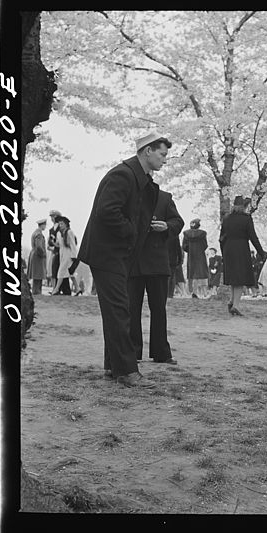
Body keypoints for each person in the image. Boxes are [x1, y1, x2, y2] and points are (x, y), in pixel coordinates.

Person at [78, 130, 171, 388]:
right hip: (106, 253)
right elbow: (107, 211)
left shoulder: (140, 178)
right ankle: (127, 371)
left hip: (117, 254)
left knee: (116, 310)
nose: (165, 160)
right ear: (147, 151)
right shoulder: (122, 175)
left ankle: (113, 367)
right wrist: (132, 232)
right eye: (162, 154)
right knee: (120, 310)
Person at [128, 188, 184, 364]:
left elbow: (178, 221)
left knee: (159, 309)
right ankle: (133, 352)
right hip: (133, 261)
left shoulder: (164, 197)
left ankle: (161, 353)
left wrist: (167, 226)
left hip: (158, 261)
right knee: (132, 309)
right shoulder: (129, 194)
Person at [220, 195, 267, 315]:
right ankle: (235, 305)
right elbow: (253, 237)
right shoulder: (246, 219)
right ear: (244, 207)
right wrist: (261, 253)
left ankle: (231, 301)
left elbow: (221, 238)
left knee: (233, 277)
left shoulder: (226, 218)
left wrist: (223, 252)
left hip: (228, 248)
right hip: (241, 248)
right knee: (240, 277)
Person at [50, 216, 78, 296]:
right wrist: (53, 243)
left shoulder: (69, 232)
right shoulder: (59, 233)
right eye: (59, 224)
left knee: (61, 271)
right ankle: (78, 288)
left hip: (69, 254)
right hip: (62, 253)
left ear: (66, 224)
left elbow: (73, 244)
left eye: (62, 224)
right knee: (70, 273)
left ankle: (56, 289)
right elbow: (59, 244)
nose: (60, 225)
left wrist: (74, 256)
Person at [182, 218, 209, 299]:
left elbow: (184, 246)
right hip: (200, 255)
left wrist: (190, 250)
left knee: (193, 274)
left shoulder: (186, 234)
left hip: (191, 256)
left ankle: (194, 291)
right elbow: (205, 245)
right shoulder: (203, 234)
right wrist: (200, 249)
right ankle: (204, 293)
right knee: (202, 273)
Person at [47, 210, 71, 295]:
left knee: (61, 271)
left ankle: (63, 290)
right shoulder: (52, 229)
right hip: (55, 251)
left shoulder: (60, 228)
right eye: (51, 217)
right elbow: (50, 240)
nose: (52, 218)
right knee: (55, 270)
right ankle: (57, 289)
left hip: (61, 251)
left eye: (53, 216)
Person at [27, 218, 48, 295]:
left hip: (34, 254)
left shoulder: (35, 233)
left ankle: (37, 292)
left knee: (37, 275)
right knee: (38, 276)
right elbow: (39, 246)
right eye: (45, 225)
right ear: (42, 225)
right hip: (38, 256)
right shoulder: (39, 234)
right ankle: (37, 292)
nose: (45, 227)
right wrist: (43, 254)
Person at [167, 229, 185, 298]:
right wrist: (180, 259)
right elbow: (178, 248)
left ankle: (166, 293)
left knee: (166, 277)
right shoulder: (175, 235)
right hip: (173, 258)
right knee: (172, 277)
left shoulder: (161, 234)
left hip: (164, 258)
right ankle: (170, 294)